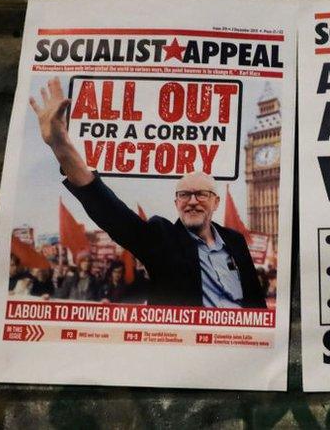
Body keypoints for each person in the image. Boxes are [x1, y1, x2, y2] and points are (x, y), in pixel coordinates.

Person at [30, 77, 266, 308]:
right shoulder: (162, 238)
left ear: (216, 202)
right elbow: (110, 212)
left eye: (201, 194)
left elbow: (256, 303)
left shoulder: (234, 241)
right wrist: (60, 145)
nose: (192, 201)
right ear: (176, 203)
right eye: (184, 195)